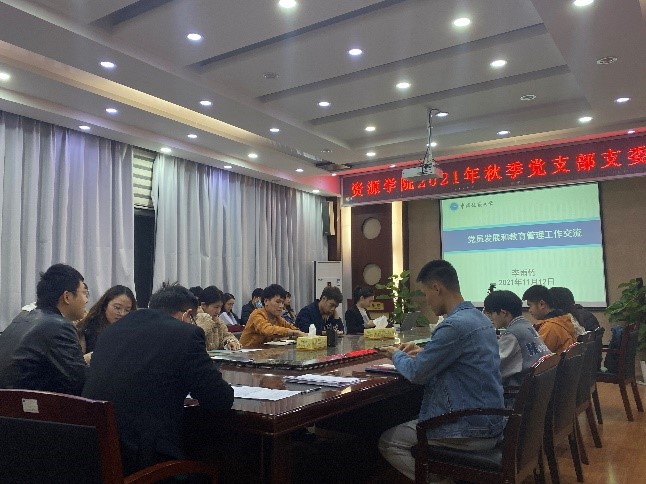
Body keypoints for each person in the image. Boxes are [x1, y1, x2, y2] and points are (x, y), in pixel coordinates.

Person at [82, 283, 234, 475]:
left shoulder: (111, 331)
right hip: (145, 462)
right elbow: (220, 399)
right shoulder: (186, 334)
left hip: (95, 456)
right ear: (187, 315)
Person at [378, 260, 504, 482]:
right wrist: (425, 353)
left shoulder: (453, 326)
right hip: (492, 420)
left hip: (468, 427)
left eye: (426, 293)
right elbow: (460, 359)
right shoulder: (481, 319)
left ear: (437, 288)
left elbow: (417, 374)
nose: (427, 301)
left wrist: (395, 355)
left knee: (389, 442)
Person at [0, 263, 88, 395]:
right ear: (67, 297)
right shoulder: (59, 326)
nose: (86, 300)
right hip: (28, 405)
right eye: (84, 293)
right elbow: (79, 380)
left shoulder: (22, 319)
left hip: (9, 403)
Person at [483, 290, 551, 388]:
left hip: (520, 392)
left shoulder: (512, 334)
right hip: (540, 387)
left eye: (491, 314)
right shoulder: (526, 325)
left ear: (503, 313)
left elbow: (492, 369)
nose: (490, 318)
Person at [239, 284, 306, 347]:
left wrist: (300, 333)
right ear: (266, 301)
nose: (281, 306)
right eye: (278, 302)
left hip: (264, 352)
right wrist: (293, 333)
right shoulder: (257, 314)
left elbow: (292, 328)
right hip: (247, 352)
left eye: (283, 303)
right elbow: (267, 330)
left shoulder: (277, 317)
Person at [77, 285, 136, 354]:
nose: (122, 313)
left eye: (127, 310)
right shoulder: (88, 329)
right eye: (117, 307)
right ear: (105, 305)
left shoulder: (133, 331)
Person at [522, 284, 576, 354]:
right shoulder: (563, 320)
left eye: (530, 306)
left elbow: (536, 356)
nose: (529, 310)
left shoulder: (550, 327)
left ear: (542, 304)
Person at [190, 286, 241, 350]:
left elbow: (226, 335)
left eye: (220, 307)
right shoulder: (192, 319)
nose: (218, 311)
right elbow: (195, 338)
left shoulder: (218, 321)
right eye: (216, 307)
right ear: (203, 305)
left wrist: (230, 341)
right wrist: (204, 318)